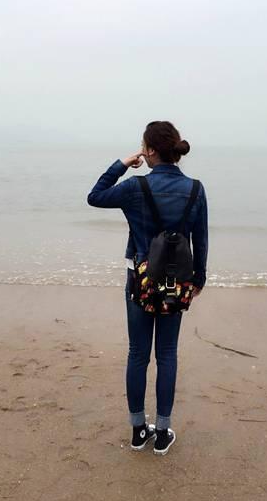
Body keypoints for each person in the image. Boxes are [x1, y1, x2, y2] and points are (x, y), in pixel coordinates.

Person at [87, 121, 208, 455]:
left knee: (138, 353)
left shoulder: (135, 187)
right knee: (167, 354)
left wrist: (122, 164)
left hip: (138, 279)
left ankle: (139, 430)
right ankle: (163, 431)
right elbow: (201, 239)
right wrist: (198, 280)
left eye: (143, 146)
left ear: (150, 150)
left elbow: (95, 197)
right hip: (176, 280)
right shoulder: (195, 189)